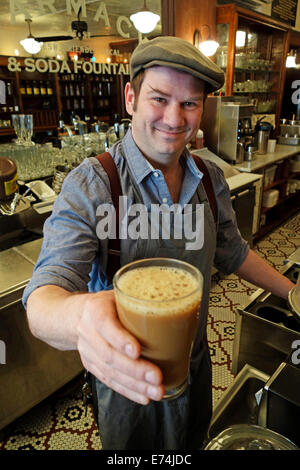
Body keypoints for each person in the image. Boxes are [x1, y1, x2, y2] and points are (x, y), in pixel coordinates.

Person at [23, 36, 294, 450]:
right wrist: (80, 319)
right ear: (131, 97)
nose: (174, 118)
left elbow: (234, 251)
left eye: (189, 103)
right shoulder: (94, 184)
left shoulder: (210, 179)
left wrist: (293, 292)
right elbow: (44, 298)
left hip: (196, 365)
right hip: (127, 382)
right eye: (159, 98)